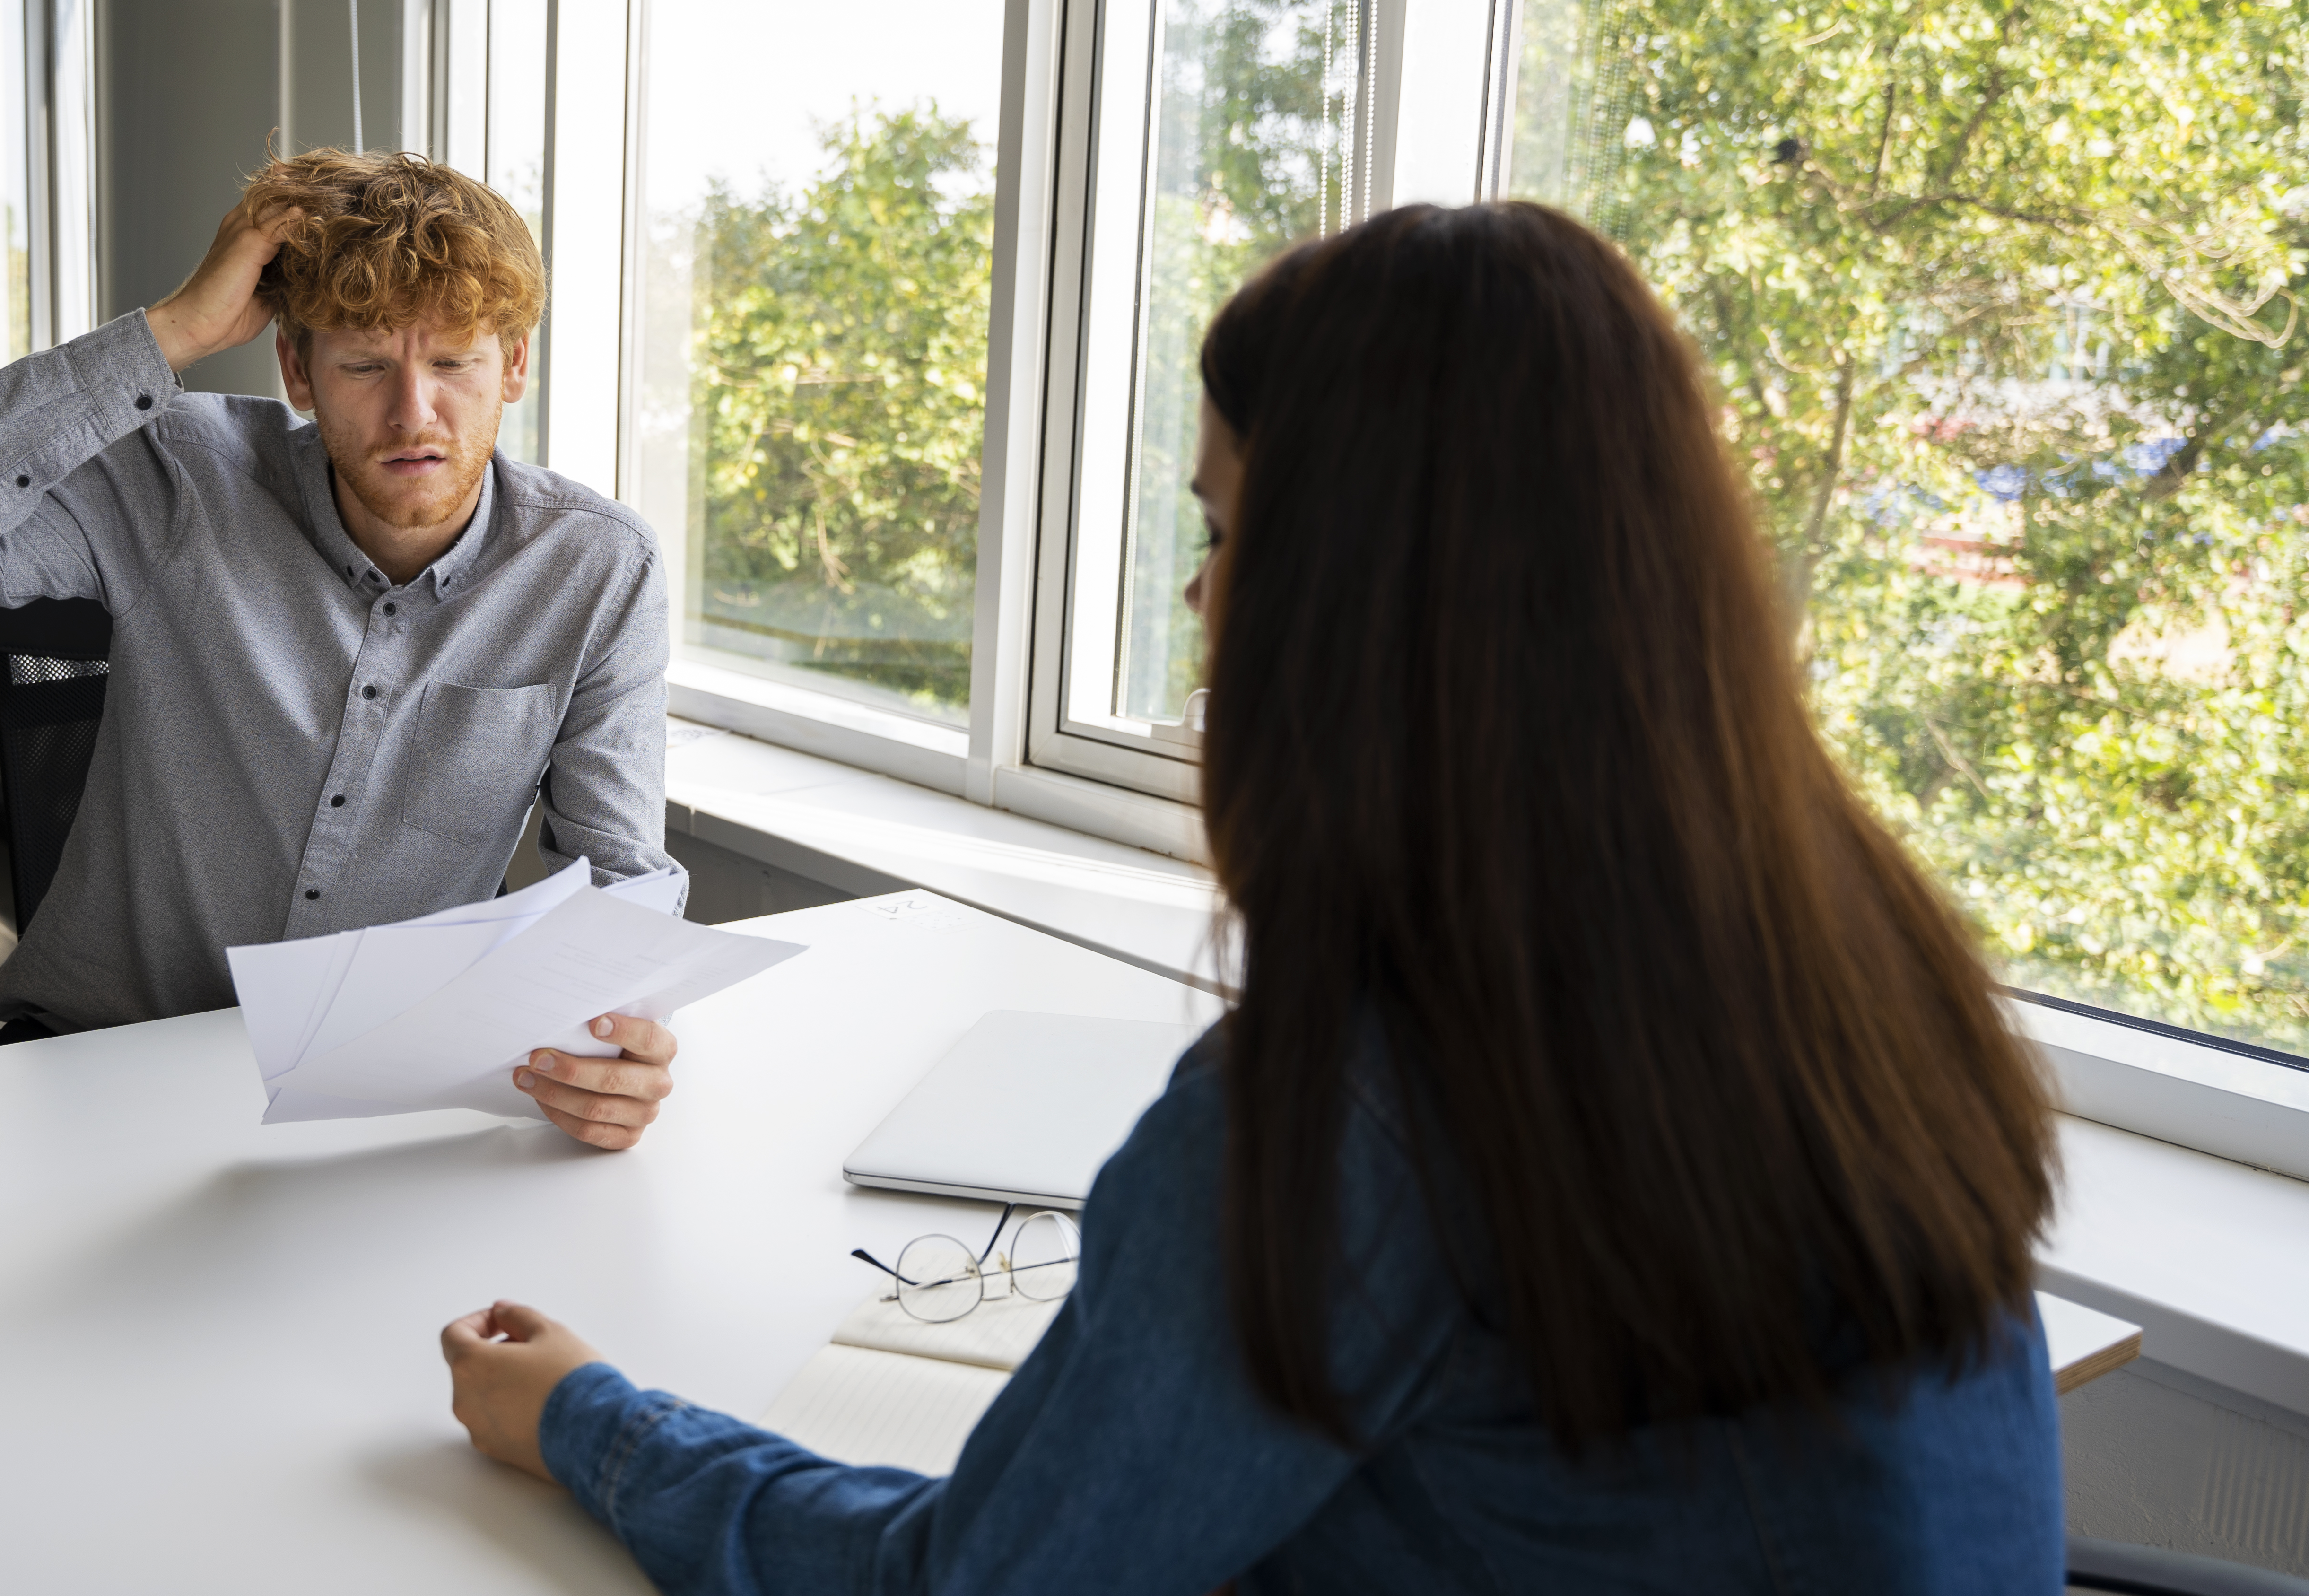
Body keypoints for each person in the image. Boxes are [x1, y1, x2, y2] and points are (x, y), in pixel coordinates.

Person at [437, 201, 2068, 1590]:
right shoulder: (1863, 955)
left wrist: (592, 1414)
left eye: (1228, 528)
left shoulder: (1359, 1108)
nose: (1206, 593)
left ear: (1360, 600)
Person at [0, 150, 681, 1149]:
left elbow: (620, 875)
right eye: (362, 364)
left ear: (514, 364)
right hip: (103, 1062)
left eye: (453, 361)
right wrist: (169, 335)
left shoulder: (599, 569)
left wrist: (623, 1042)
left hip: (379, 1092)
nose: (413, 414)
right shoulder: (178, 479)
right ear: (298, 370)